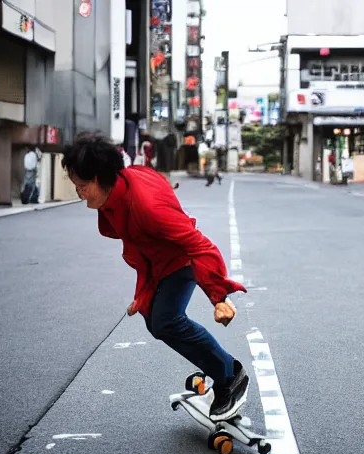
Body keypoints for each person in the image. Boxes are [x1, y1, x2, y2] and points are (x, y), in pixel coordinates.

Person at [62, 133, 249, 421]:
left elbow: (199, 245)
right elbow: (142, 246)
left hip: (180, 259)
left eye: (82, 186)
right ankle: (218, 367)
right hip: (158, 262)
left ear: (100, 178)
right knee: (155, 321)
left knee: (166, 321)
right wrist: (144, 293)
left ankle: (229, 375)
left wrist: (218, 296)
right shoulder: (118, 190)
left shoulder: (147, 207)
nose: (80, 193)